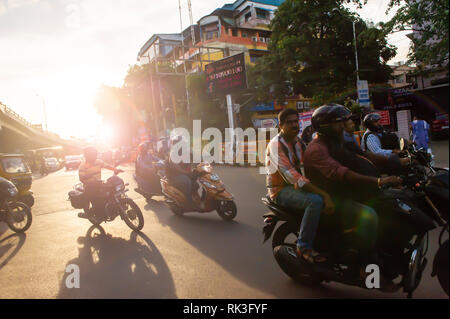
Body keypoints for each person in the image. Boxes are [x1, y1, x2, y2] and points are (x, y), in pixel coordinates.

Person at [303, 104, 403, 291]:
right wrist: (378, 182)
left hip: (346, 191)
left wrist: (397, 163)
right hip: (331, 198)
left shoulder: (338, 141)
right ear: (324, 126)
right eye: (338, 123)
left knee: (388, 205)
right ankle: (364, 268)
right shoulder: (317, 149)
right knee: (369, 216)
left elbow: (364, 156)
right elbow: (343, 173)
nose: (343, 125)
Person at [266, 108, 334, 265]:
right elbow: (293, 177)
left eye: (296, 121)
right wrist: (323, 194)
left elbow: (312, 164)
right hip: (281, 190)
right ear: (281, 126)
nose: (294, 125)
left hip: (295, 186)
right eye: (289, 122)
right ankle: (303, 247)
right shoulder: (275, 146)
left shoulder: (299, 143)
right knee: (315, 201)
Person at [78, 146, 123, 218]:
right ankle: (87, 213)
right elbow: (81, 178)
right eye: (94, 155)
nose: (95, 156)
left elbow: (107, 166)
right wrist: (90, 178)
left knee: (112, 190)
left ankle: (113, 206)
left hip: (99, 183)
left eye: (95, 154)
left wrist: (115, 169)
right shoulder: (83, 166)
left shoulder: (98, 161)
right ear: (88, 156)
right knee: (87, 196)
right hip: (89, 186)